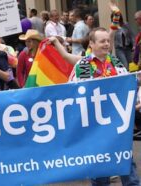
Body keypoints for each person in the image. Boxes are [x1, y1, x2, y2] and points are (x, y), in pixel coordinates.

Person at [69, 27, 140, 186]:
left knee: (126, 163)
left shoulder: (115, 62)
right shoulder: (83, 65)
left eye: (108, 41)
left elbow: (127, 85)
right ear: (92, 44)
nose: (107, 44)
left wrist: (134, 101)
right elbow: (72, 93)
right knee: (100, 168)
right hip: (96, 125)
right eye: (102, 41)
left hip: (117, 122)